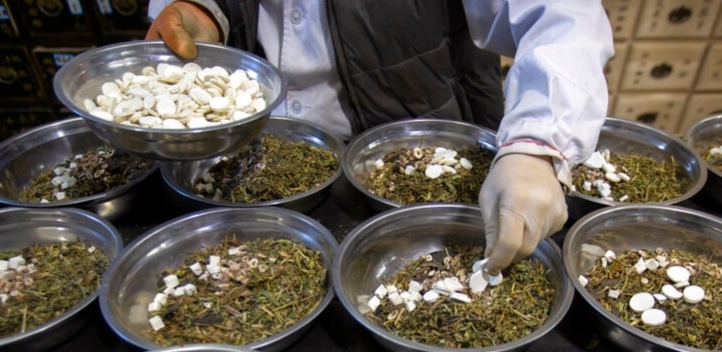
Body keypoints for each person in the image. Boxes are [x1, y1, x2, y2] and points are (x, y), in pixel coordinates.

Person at [145, 1, 613, 274]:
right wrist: (205, 8)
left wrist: (537, 144)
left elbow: (561, 15)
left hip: (410, 135)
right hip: (255, 144)